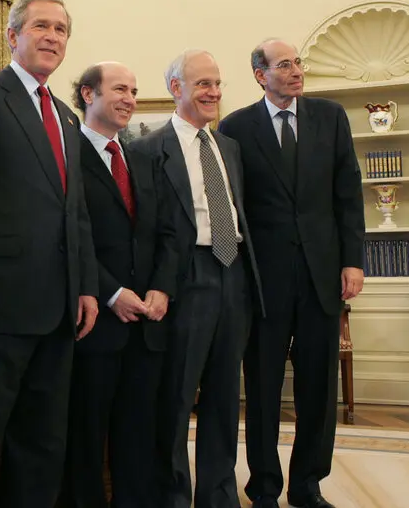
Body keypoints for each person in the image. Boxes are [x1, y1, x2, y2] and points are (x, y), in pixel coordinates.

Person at [0, 0, 99, 508]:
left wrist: (87, 289)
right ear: (13, 36)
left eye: (61, 29)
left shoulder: (67, 116)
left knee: (43, 441)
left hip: (59, 310)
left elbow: (74, 212)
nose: (52, 37)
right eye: (41, 26)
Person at [217, 39, 364, 508]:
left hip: (323, 277)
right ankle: (263, 487)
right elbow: (230, 208)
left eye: (299, 62)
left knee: (318, 391)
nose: (297, 71)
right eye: (285, 64)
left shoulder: (330, 116)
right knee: (261, 389)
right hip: (264, 283)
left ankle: (307, 486)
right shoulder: (236, 127)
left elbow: (348, 193)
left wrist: (353, 260)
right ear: (261, 74)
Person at [132, 50, 264, 508]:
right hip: (186, 276)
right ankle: (172, 496)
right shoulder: (148, 149)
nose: (213, 92)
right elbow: (146, 229)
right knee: (176, 397)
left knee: (226, 399)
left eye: (217, 84)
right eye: (203, 84)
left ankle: (218, 496)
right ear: (176, 88)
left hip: (234, 273)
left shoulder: (227, 146)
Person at [63, 62, 179, 508]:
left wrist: (162, 289)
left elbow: (168, 232)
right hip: (96, 324)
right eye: (119, 89)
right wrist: (111, 292)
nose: (130, 98)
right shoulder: (66, 154)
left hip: (147, 325)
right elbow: (72, 236)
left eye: (133, 90)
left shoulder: (141, 158)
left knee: (138, 435)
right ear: (89, 94)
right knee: (87, 438)